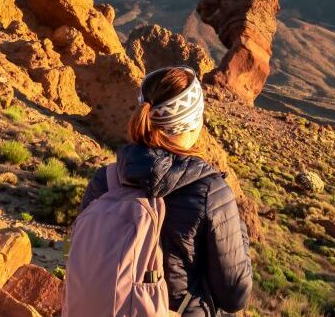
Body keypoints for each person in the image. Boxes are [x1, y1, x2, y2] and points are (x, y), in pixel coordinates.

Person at [70, 66, 252, 316]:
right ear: (194, 122)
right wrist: (239, 233)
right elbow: (235, 295)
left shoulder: (107, 178)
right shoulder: (210, 191)